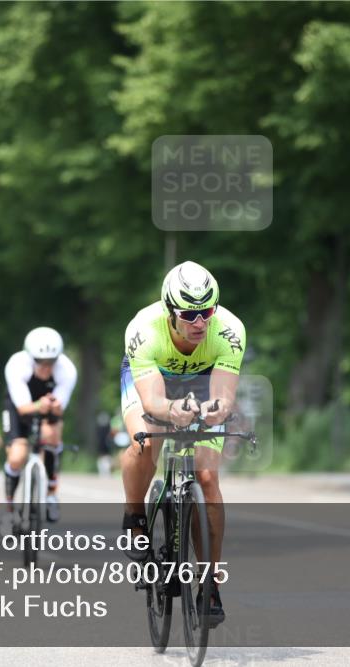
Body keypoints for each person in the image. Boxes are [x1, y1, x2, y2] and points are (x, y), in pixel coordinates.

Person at [119, 260, 245, 626]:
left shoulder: (230, 331)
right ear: (169, 310)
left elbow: (223, 398)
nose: (200, 323)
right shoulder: (144, 330)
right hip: (153, 381)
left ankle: (210, 584)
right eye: (189, 314)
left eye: (207, 311)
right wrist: (173, 410)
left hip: (202, 382)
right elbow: (153, 402)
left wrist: (213, 410)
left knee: (207, 479)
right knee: (144, 443)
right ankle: (134, 515)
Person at [2, 327, 77, 522]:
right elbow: (23, 409)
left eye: (51, 362)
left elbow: (59, 408)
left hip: (48, 406)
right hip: (20, 406)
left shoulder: (67, 369)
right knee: (17, 456)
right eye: (40, 362)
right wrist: (39, 405)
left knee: (52, 436)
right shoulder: (17, 364)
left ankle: (51, 492)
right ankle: (9, 510)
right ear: (30, 357)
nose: (45, 367)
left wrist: (54, 406)